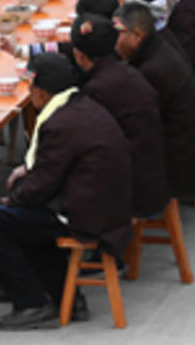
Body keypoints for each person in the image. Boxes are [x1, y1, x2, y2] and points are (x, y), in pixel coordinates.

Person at [0, 53, 132, 329]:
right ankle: (66, 296)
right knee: (23, 215)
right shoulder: (82, 107)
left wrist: (13, 200)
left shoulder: (60, 123)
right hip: (105, 206)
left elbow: (41, 186)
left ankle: (31, 302)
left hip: (89, 216)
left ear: (40, 91)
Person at [70, 14, 170, 218]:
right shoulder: (129, 73)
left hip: (129, 192)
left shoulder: (97, 89)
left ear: (79, 55)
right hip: (154, 178)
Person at [113, 0, 195, 207]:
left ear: (137, 34)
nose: (114, 42)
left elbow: (139, 126)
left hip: (176, 158)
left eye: (118, 35)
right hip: (184, 141)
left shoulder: (151, 71)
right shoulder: (159, 47)